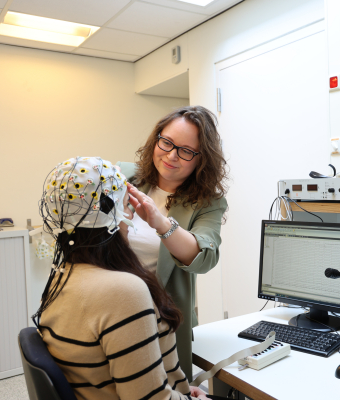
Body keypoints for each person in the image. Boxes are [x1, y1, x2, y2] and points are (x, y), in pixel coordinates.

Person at [34, 157, 209, 399]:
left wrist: (180, 389)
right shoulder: (123, 291)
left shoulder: (63, 275)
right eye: (128, 204)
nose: (133, 214)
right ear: (113, 213)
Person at [116, 106, 228, 380]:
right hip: (111, 307)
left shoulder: (207, 202)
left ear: (202, 159)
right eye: (166, 143)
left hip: (159, 320)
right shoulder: (123, 176)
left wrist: (160, 222)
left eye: (186, 151)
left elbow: (204, 256)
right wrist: (119, 222)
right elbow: (98, 244)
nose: (171, 155)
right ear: (156, 139)